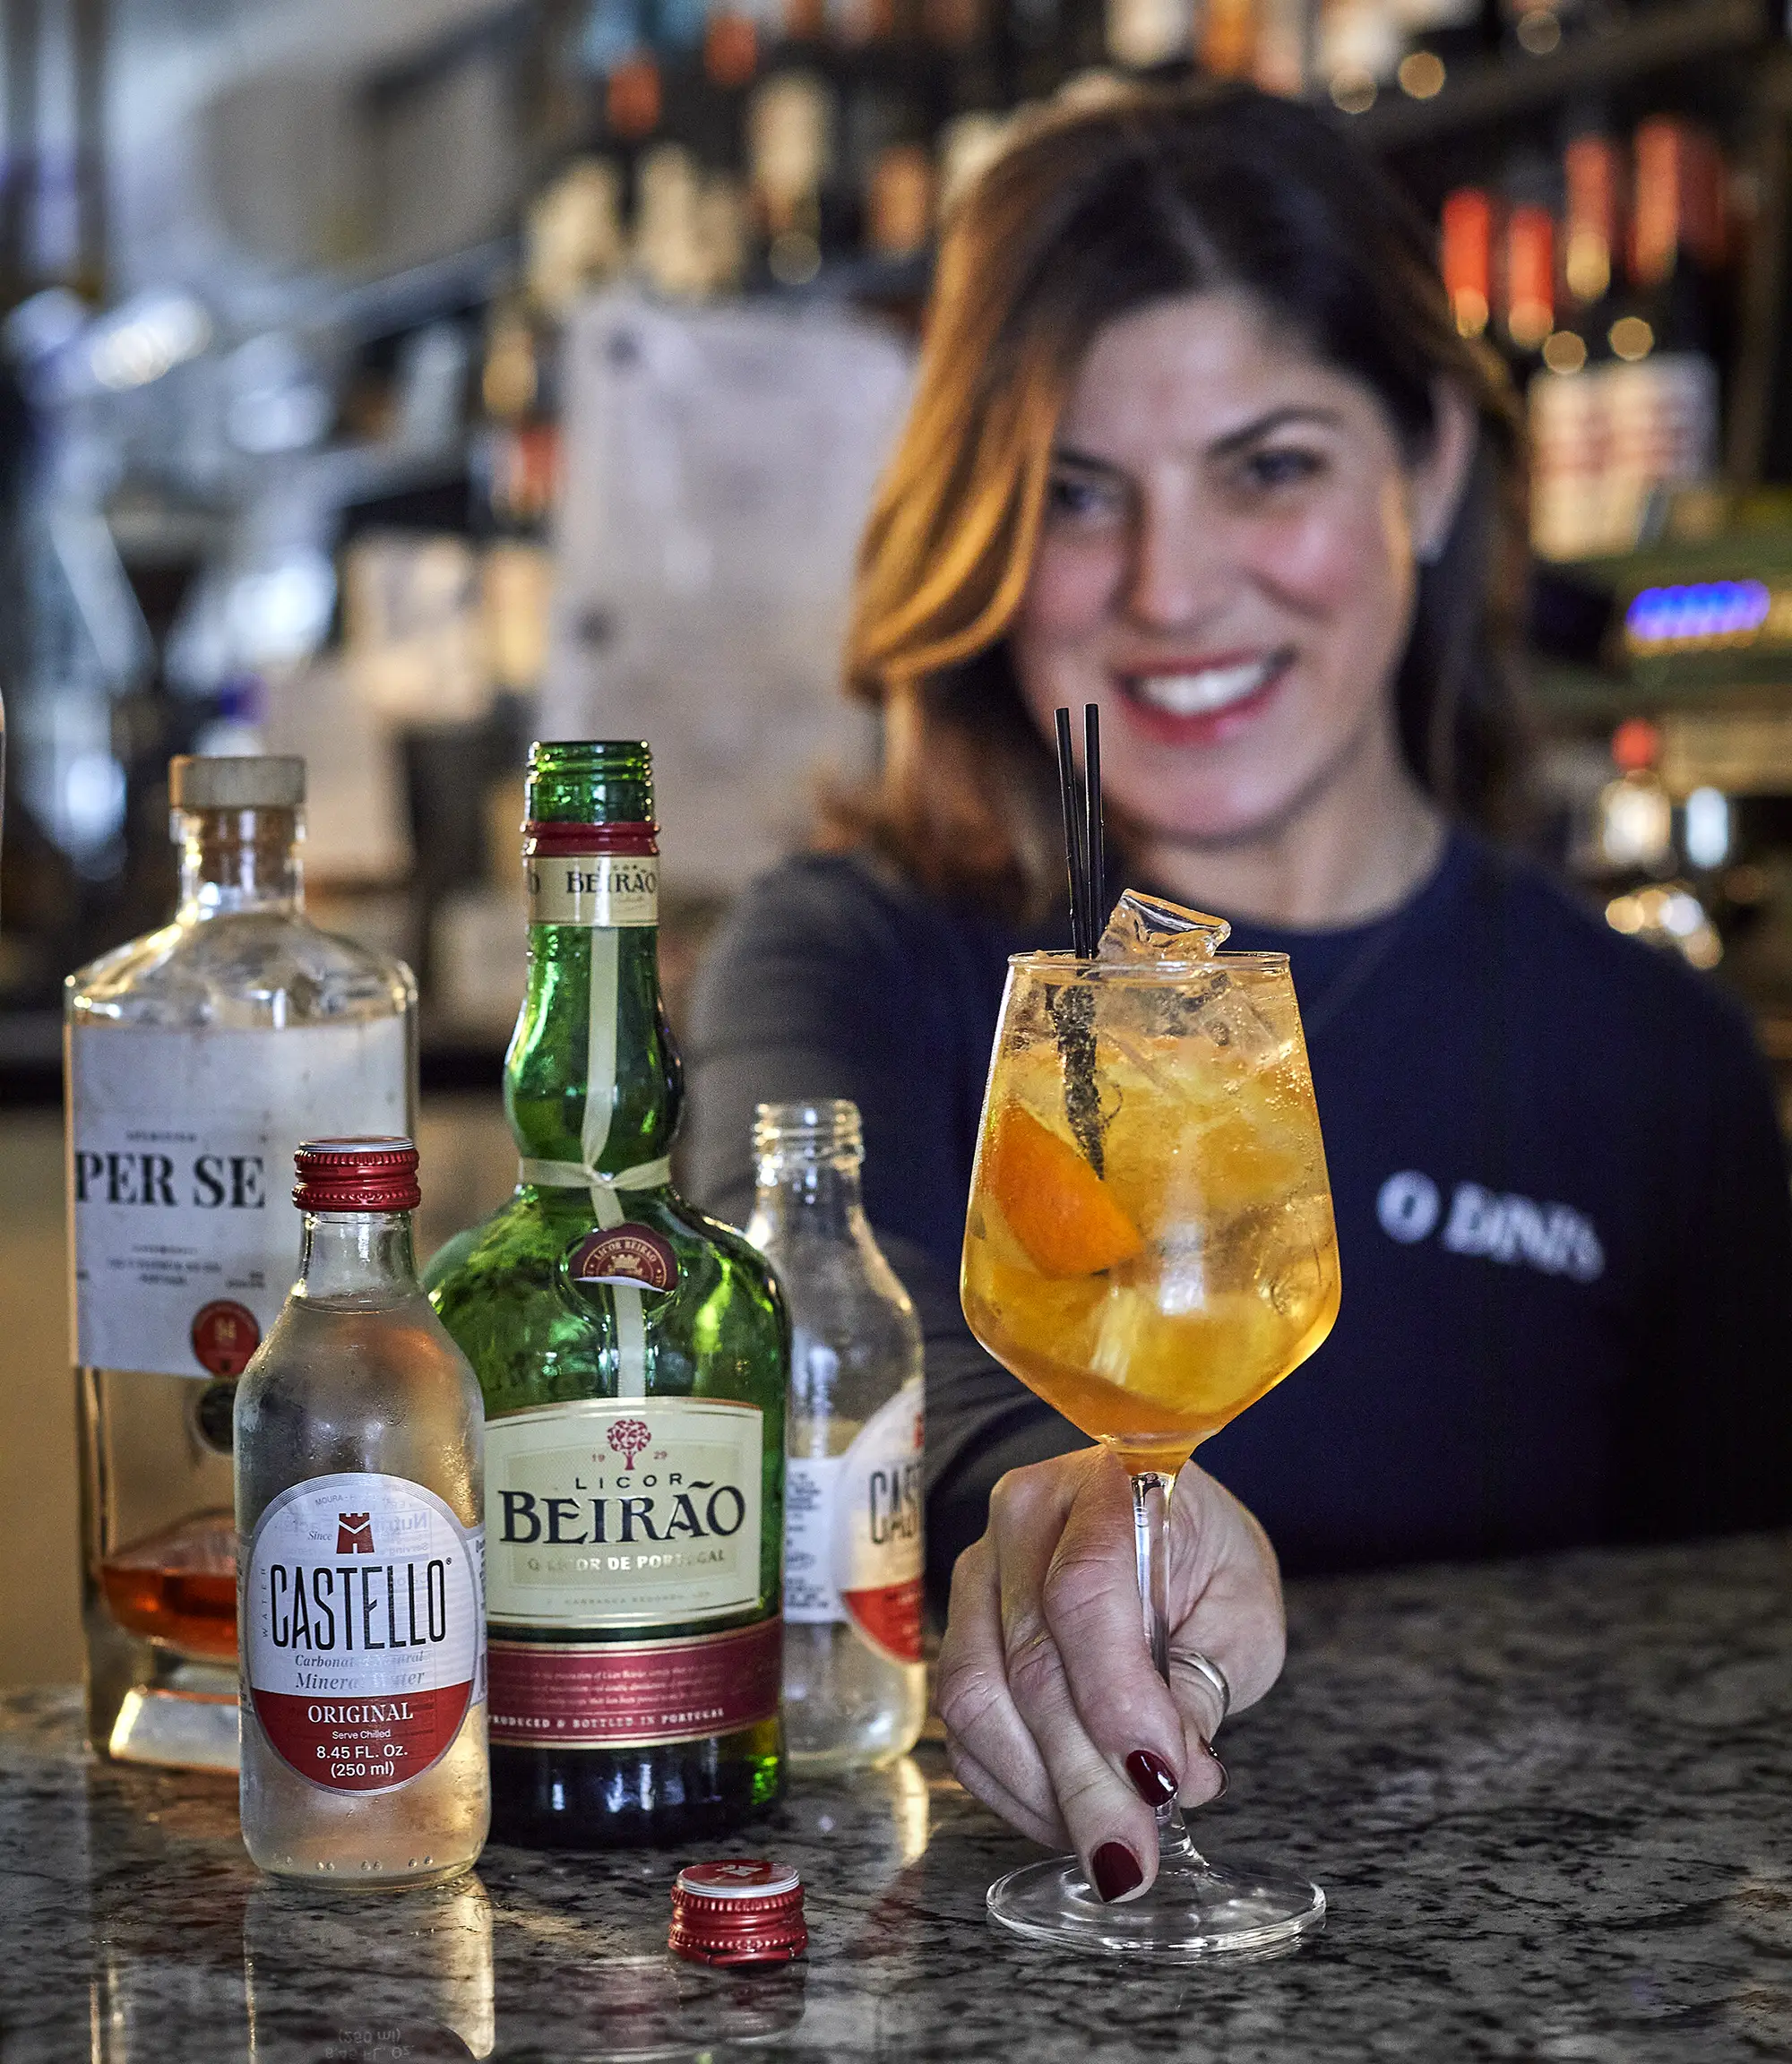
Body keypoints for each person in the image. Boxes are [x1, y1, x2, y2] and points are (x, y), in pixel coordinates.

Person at [683, 83, 1792, 1894]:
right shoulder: (852, 953)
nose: (1170, 589)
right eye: (1076, 497)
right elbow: (817, 1342)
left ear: (1427, 468)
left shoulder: (1648, 1053)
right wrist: (1041, 1508)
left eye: (1266, 466)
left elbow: (1735, 1653)